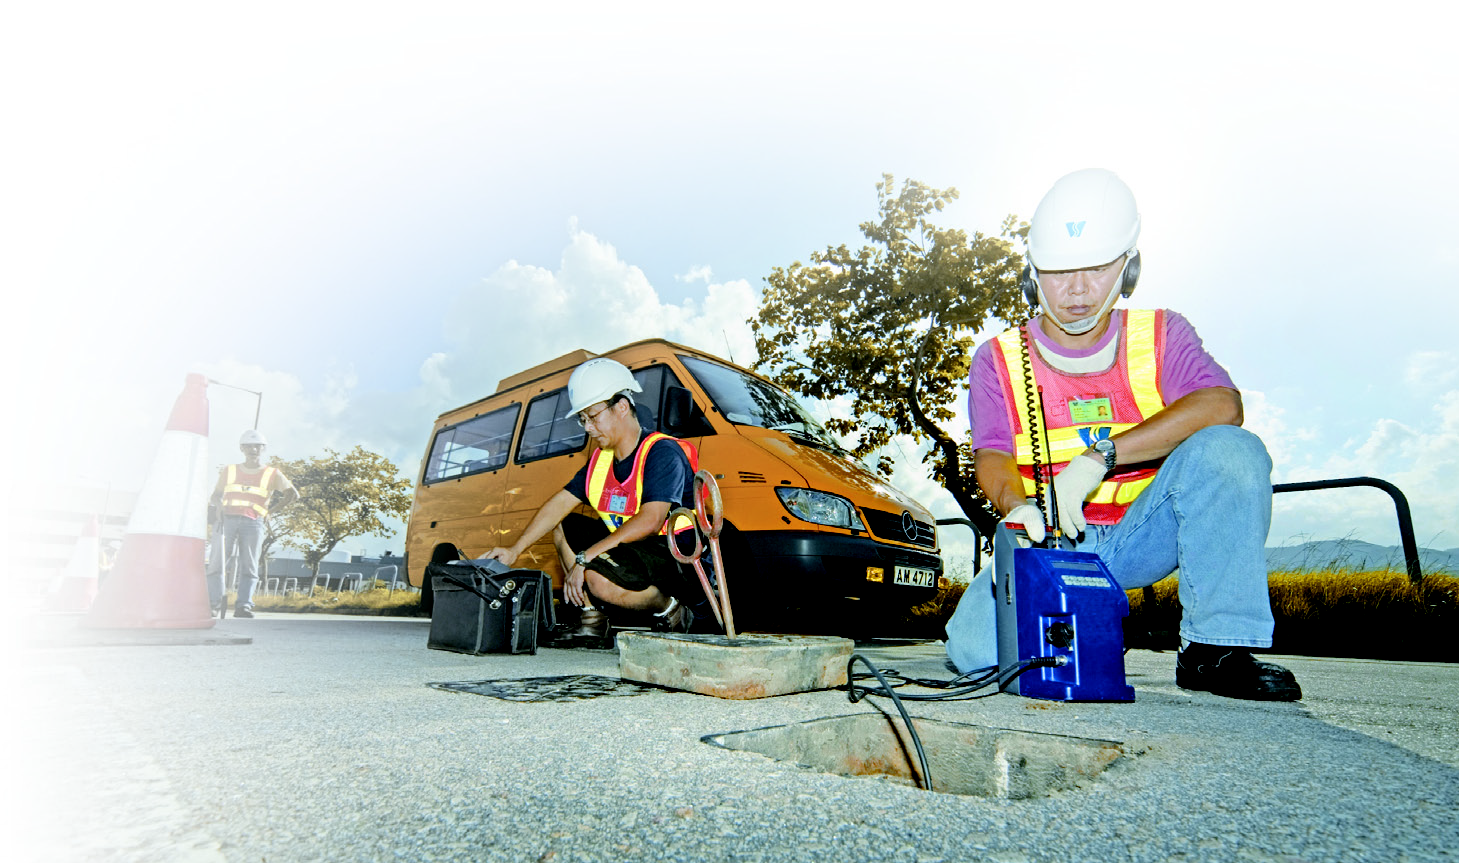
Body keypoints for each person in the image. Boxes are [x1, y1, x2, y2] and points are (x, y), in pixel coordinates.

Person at [946, 168, 1301, 701]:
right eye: (1059, 272)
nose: (1078, 291)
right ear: (1031, 275)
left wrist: (1100, 458)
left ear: (1129, 268)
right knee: (978, 653)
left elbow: (1223, 404)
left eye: (1097, 268)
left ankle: (1213, 648)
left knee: (1232, 451)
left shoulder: (1162, 334)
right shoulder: (997, 358)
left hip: (1145, 531)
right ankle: (1093, 628)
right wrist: (1015, 507)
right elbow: (993, 454)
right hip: (1053, 541)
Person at [484, 358, 697, 639]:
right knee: (563, 523)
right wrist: (515, 549)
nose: (587, 427)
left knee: (595, 578)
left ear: (621, 407)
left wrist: (585, 559)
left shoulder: (662, 452)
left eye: (593, 417)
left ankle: (670, 608)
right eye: (582, 419)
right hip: (630, 546)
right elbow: (557, 505)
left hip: (671, 552)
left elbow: (651, 520)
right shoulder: (601, 460)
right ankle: (592, 618)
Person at [207, 430, 298, 618]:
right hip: (226, 521)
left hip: (253, 522)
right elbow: (215, 496)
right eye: (248, 446)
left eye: (257, 446)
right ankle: (213, 604)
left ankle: (244, 606)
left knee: (250, 565)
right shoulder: (229, 470)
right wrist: (218, 507)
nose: (253, 449)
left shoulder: (272, 473)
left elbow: (293, 494)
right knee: (217, 563)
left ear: (263, 449)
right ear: (242, 448)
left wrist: (270, 512)